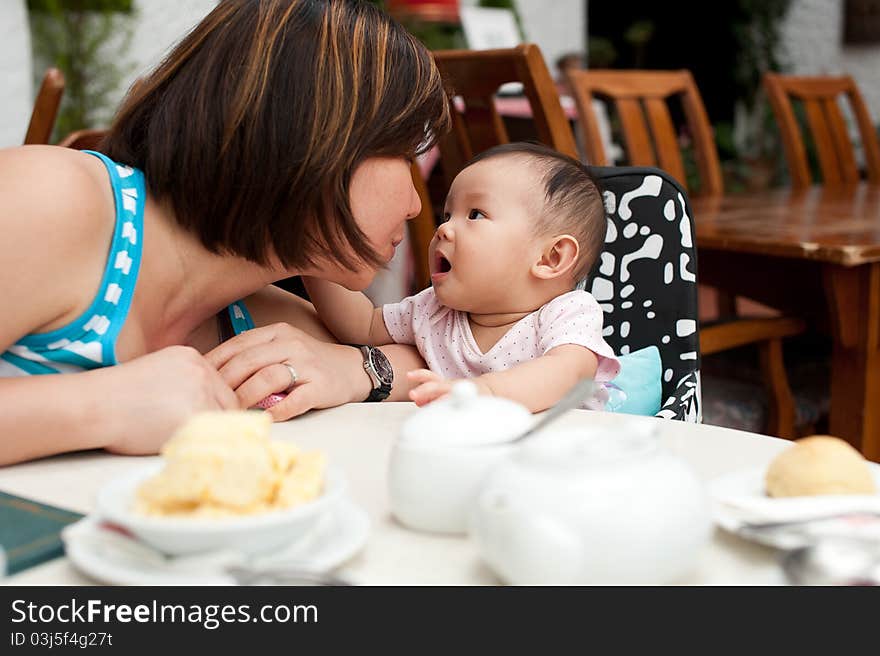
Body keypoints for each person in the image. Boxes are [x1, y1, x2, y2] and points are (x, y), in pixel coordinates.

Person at [0, 0, 449, 466]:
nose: (417, 206)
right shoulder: (55, 200)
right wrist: (101, 407)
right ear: (314, 136)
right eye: (403, 154)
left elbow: (452, 359)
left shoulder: (247, 322)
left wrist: (357, 369)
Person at [303, 142, 620, 413]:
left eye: (475, 215)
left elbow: (569, 372)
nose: (443, 229)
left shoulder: (567, 313)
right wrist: (309, 256)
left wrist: (481, 393)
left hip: (566, 456)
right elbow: (362, 326)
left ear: (551, 258)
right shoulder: (433, 310)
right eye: (447, 214)